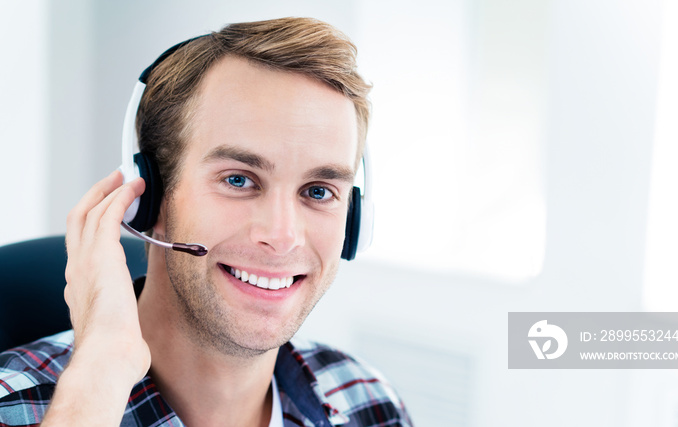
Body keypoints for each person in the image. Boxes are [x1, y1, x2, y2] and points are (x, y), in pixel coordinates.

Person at [0, 17, 412, 427]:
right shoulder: (11, 409)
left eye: (318, 191)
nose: (283, 237)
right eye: (239, 180)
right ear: (150, 196)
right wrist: (102, 372)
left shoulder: (368, 401)